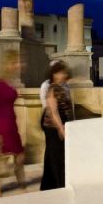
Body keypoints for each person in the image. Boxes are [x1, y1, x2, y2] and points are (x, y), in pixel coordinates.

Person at [0, 49, 26, 197]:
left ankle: (22, 186)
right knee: (1, 159)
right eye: (15, 62)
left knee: (19, 156)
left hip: (12, 123)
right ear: (8, 64)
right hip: (3, 124)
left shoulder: (10, 82)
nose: (18, 65)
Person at [40, 61, 74, 191]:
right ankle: (55, 184)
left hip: (63, 124)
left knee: (57, 155)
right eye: (59, 73)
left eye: (63, 73)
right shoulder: (52, 88)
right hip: (53, 127)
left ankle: (52, 184)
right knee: (55, 156)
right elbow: (53, 112)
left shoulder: (64, 87)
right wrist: (60, 128)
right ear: (53, 74)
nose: (62, 75)